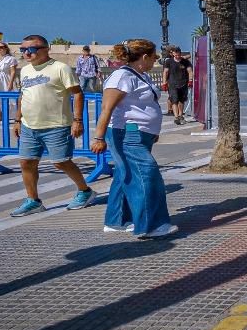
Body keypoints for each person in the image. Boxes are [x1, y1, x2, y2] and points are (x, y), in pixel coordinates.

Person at [91, 38, 174, 238]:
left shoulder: (139, 75)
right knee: (147, 174)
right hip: (127, 133)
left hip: (140, 133)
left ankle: (116, 221)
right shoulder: (121, 77)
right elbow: (107, 108)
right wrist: (98, 138)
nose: (156, 61)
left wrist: (152, 131)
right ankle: (151, 225)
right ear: (144, 57)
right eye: (154, 57)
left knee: (124, 174)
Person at [10, 34, 97, 216]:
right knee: (26, 163)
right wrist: (17, 120)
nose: (27, 53)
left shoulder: (60, 68)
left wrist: (78, 120)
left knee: (61, 162)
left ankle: (85, 191)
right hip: (29, 126)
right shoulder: (25, 70)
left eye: (31, 49)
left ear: (45, 49)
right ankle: (33, 200)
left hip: (56, 125)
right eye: (23, 50)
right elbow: (22, 96)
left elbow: (77, 94)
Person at [160, 45, 192, 125]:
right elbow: (165, 72)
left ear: (180, 54)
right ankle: (176, 117)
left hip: (183, 83)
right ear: (173, 54)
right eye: (176, 55)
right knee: (174, 100)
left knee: (181, 101)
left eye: (179, 55)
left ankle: (181, 115)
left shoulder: (185, 61)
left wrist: (191, 80)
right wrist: (164, 83)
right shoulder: (169, 62)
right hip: (172, 84)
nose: (177, 56)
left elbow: (190, 71)